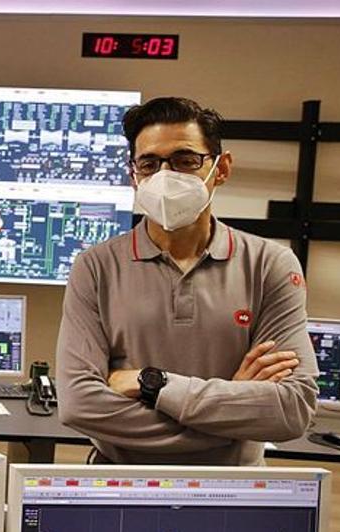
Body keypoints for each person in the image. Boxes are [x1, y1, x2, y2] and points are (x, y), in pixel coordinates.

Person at [57, 97, 317, 465]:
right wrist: (232, 411)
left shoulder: (269, 265)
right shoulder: (96, 267)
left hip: (233, 489)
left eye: (185, 160)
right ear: (133, 175)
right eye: (149, 164)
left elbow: (293, 409)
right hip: (119, 485)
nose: (165, 176)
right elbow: (79, 405)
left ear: (221, 168)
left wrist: (156, 384)